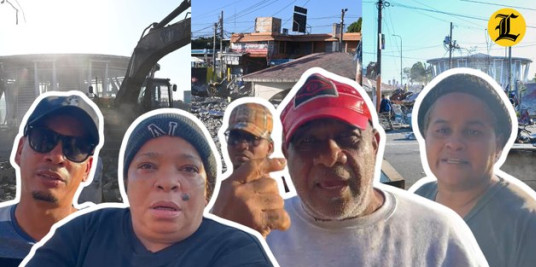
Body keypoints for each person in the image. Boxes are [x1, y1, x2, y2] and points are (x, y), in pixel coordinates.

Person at [215, 68, 488, 266]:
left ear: (375, 144)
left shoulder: (439, 236)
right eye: (309, 142)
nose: (330, 156)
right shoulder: (256, 233)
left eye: (348, 138)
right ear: (287, 154)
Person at [23, 109, 275, 267]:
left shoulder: (236, 251)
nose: (167, 181)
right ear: (126, 184)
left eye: (188, 168)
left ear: (207, 189)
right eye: (147, 165)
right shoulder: (83, 234)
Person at [409, 68, 536, 267]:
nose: (454, 143)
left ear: (498, 144)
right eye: (442, 130)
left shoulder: (528, 225)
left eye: (473, 131)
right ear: (426, 137)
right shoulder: (420, 200)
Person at [0, 91, 102, 266]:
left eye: (75, 147)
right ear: (19, 151)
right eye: (43, 139)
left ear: (88, 169)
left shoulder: (108, 247)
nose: (56, 156)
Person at [212, 99, 290, 236]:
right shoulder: (212, 198)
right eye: (234, 138)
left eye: (252, 138)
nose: (241, 146)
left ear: (270, 148)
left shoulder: (286, 198)